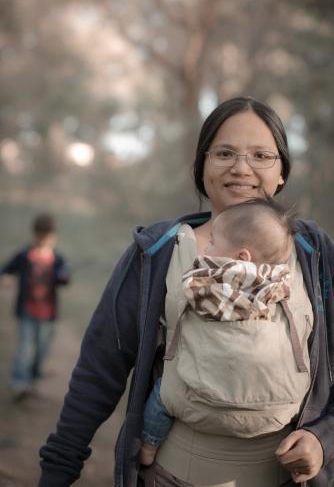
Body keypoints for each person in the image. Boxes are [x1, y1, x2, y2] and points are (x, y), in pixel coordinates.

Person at [38, 96, 334, 487]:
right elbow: (99, 369)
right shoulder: (158, 253)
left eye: (261, 155)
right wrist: (59, 469)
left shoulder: (314, 254)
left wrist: (323, 438)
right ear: (203, 167)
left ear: (281, 172)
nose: (241, 167)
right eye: (224, 152)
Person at [140, 197, 298, 466]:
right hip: (273, 407)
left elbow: (191, 291)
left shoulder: (211, 278)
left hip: (200, 392)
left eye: (213, 241)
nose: (207, 247)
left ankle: (148, 447)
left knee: (161, 396)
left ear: (241, 256)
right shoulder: (280, 280)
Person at [0, 213, 70, 399]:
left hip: (47, 314)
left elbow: (65, 277)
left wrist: (63, 277)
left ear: (54, 237)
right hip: (27, 312)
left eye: (48, 238)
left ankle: (33, 382)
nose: (44, 241)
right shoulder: (24, 255)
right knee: (24, 348)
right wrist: (6, 277)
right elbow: (5, 269)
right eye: (41, 237)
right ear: (34, 234)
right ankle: (19, 383)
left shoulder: (57, 260)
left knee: (41, 350)